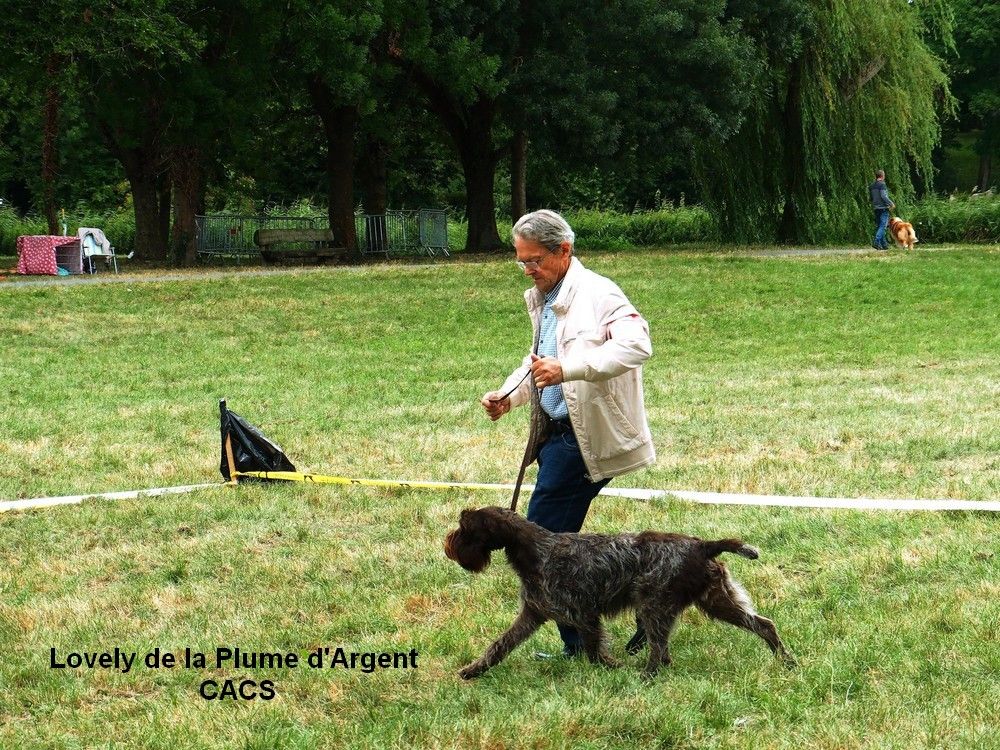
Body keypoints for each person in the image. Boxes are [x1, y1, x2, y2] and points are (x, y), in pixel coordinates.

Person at [480, 209, 655, 657]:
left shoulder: (599, 293)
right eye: (521, 261)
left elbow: (637, 345)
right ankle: (642, 605)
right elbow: (538, 362)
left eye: (534, 259)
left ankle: (580, 642)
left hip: (583, 441)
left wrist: (570, 369)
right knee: (563, 545)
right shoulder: (547, 296)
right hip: (556, 436)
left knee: (543, 543)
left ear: (564, 250)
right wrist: (507, 396)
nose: (527, 269)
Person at [869, 169, 896, 250]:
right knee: (883, 226)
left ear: (876, 176)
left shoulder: (871, 186)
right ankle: (876, 242)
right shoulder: (882, 185)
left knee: (879, 226)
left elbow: (871, 198)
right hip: (883, 208)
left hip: (876, 208)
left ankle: (884, 245)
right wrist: (891, 203)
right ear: (882, 176)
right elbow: (884, 196)